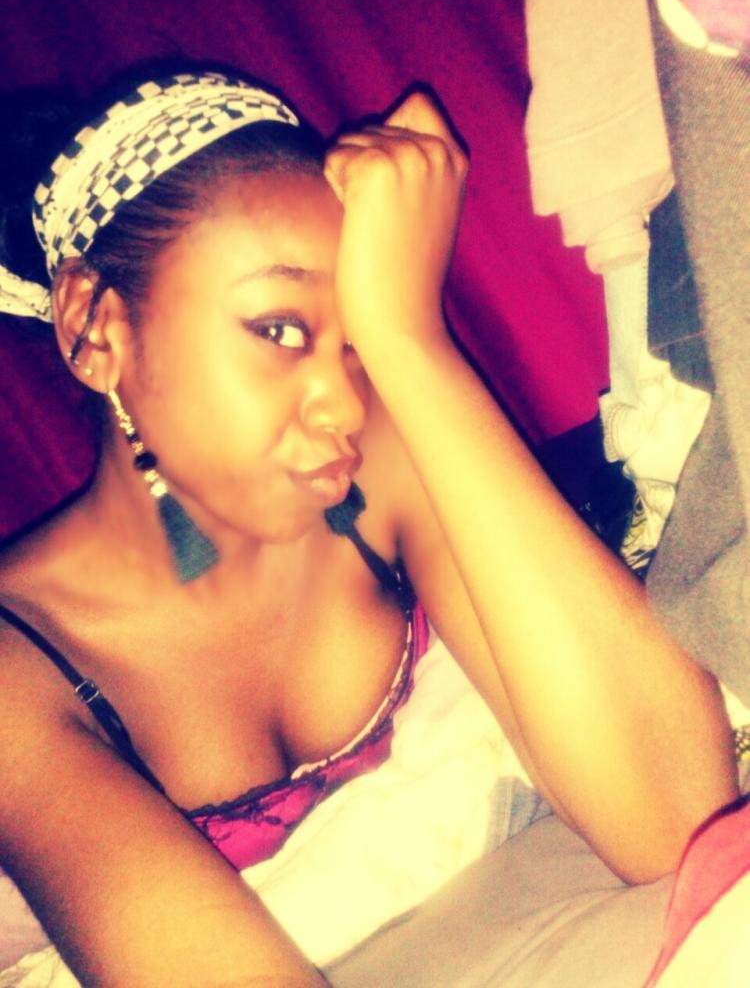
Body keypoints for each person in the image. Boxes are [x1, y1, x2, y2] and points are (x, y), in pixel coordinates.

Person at [0, 65, 738, 987]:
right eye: (278, 329)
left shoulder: (369, 457)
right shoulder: (20, 669)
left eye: (353, 341)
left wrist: (409, 339)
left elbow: (676, 814)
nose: (342, 405)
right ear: (94, 326)